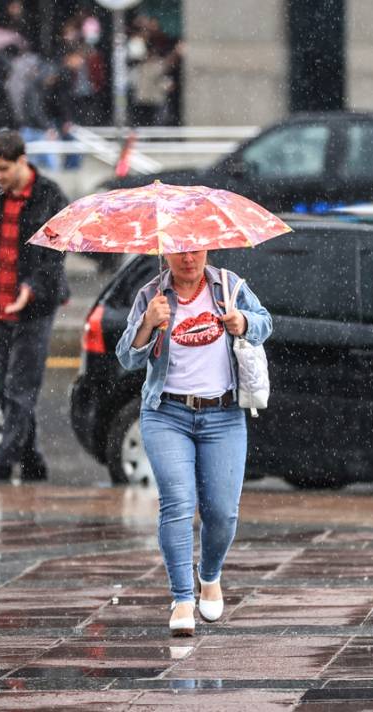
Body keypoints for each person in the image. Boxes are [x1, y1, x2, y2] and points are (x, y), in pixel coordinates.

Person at [116, 249, 272, 636]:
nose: (189, 259)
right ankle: (182, 598)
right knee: (178, 503)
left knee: (222, 512)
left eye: (196, 250)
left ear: (207, 249)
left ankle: (210, 574)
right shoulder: (151, 295)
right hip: (167, 414)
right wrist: (147, 325)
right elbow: (127, 359)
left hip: (223, 414)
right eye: (180, 251)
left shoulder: (230, 287)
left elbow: (266, 324)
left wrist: (243, 321)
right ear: (166, 252)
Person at [0, 130, 69, 483]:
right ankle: (32, 458)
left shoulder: (49, 195)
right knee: (8, 384)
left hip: (35, 307)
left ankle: (3, 461)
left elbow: (55, 257)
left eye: (4, 168)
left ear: (22, 160)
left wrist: (31, 289)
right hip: (1, 303)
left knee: (20, 387)